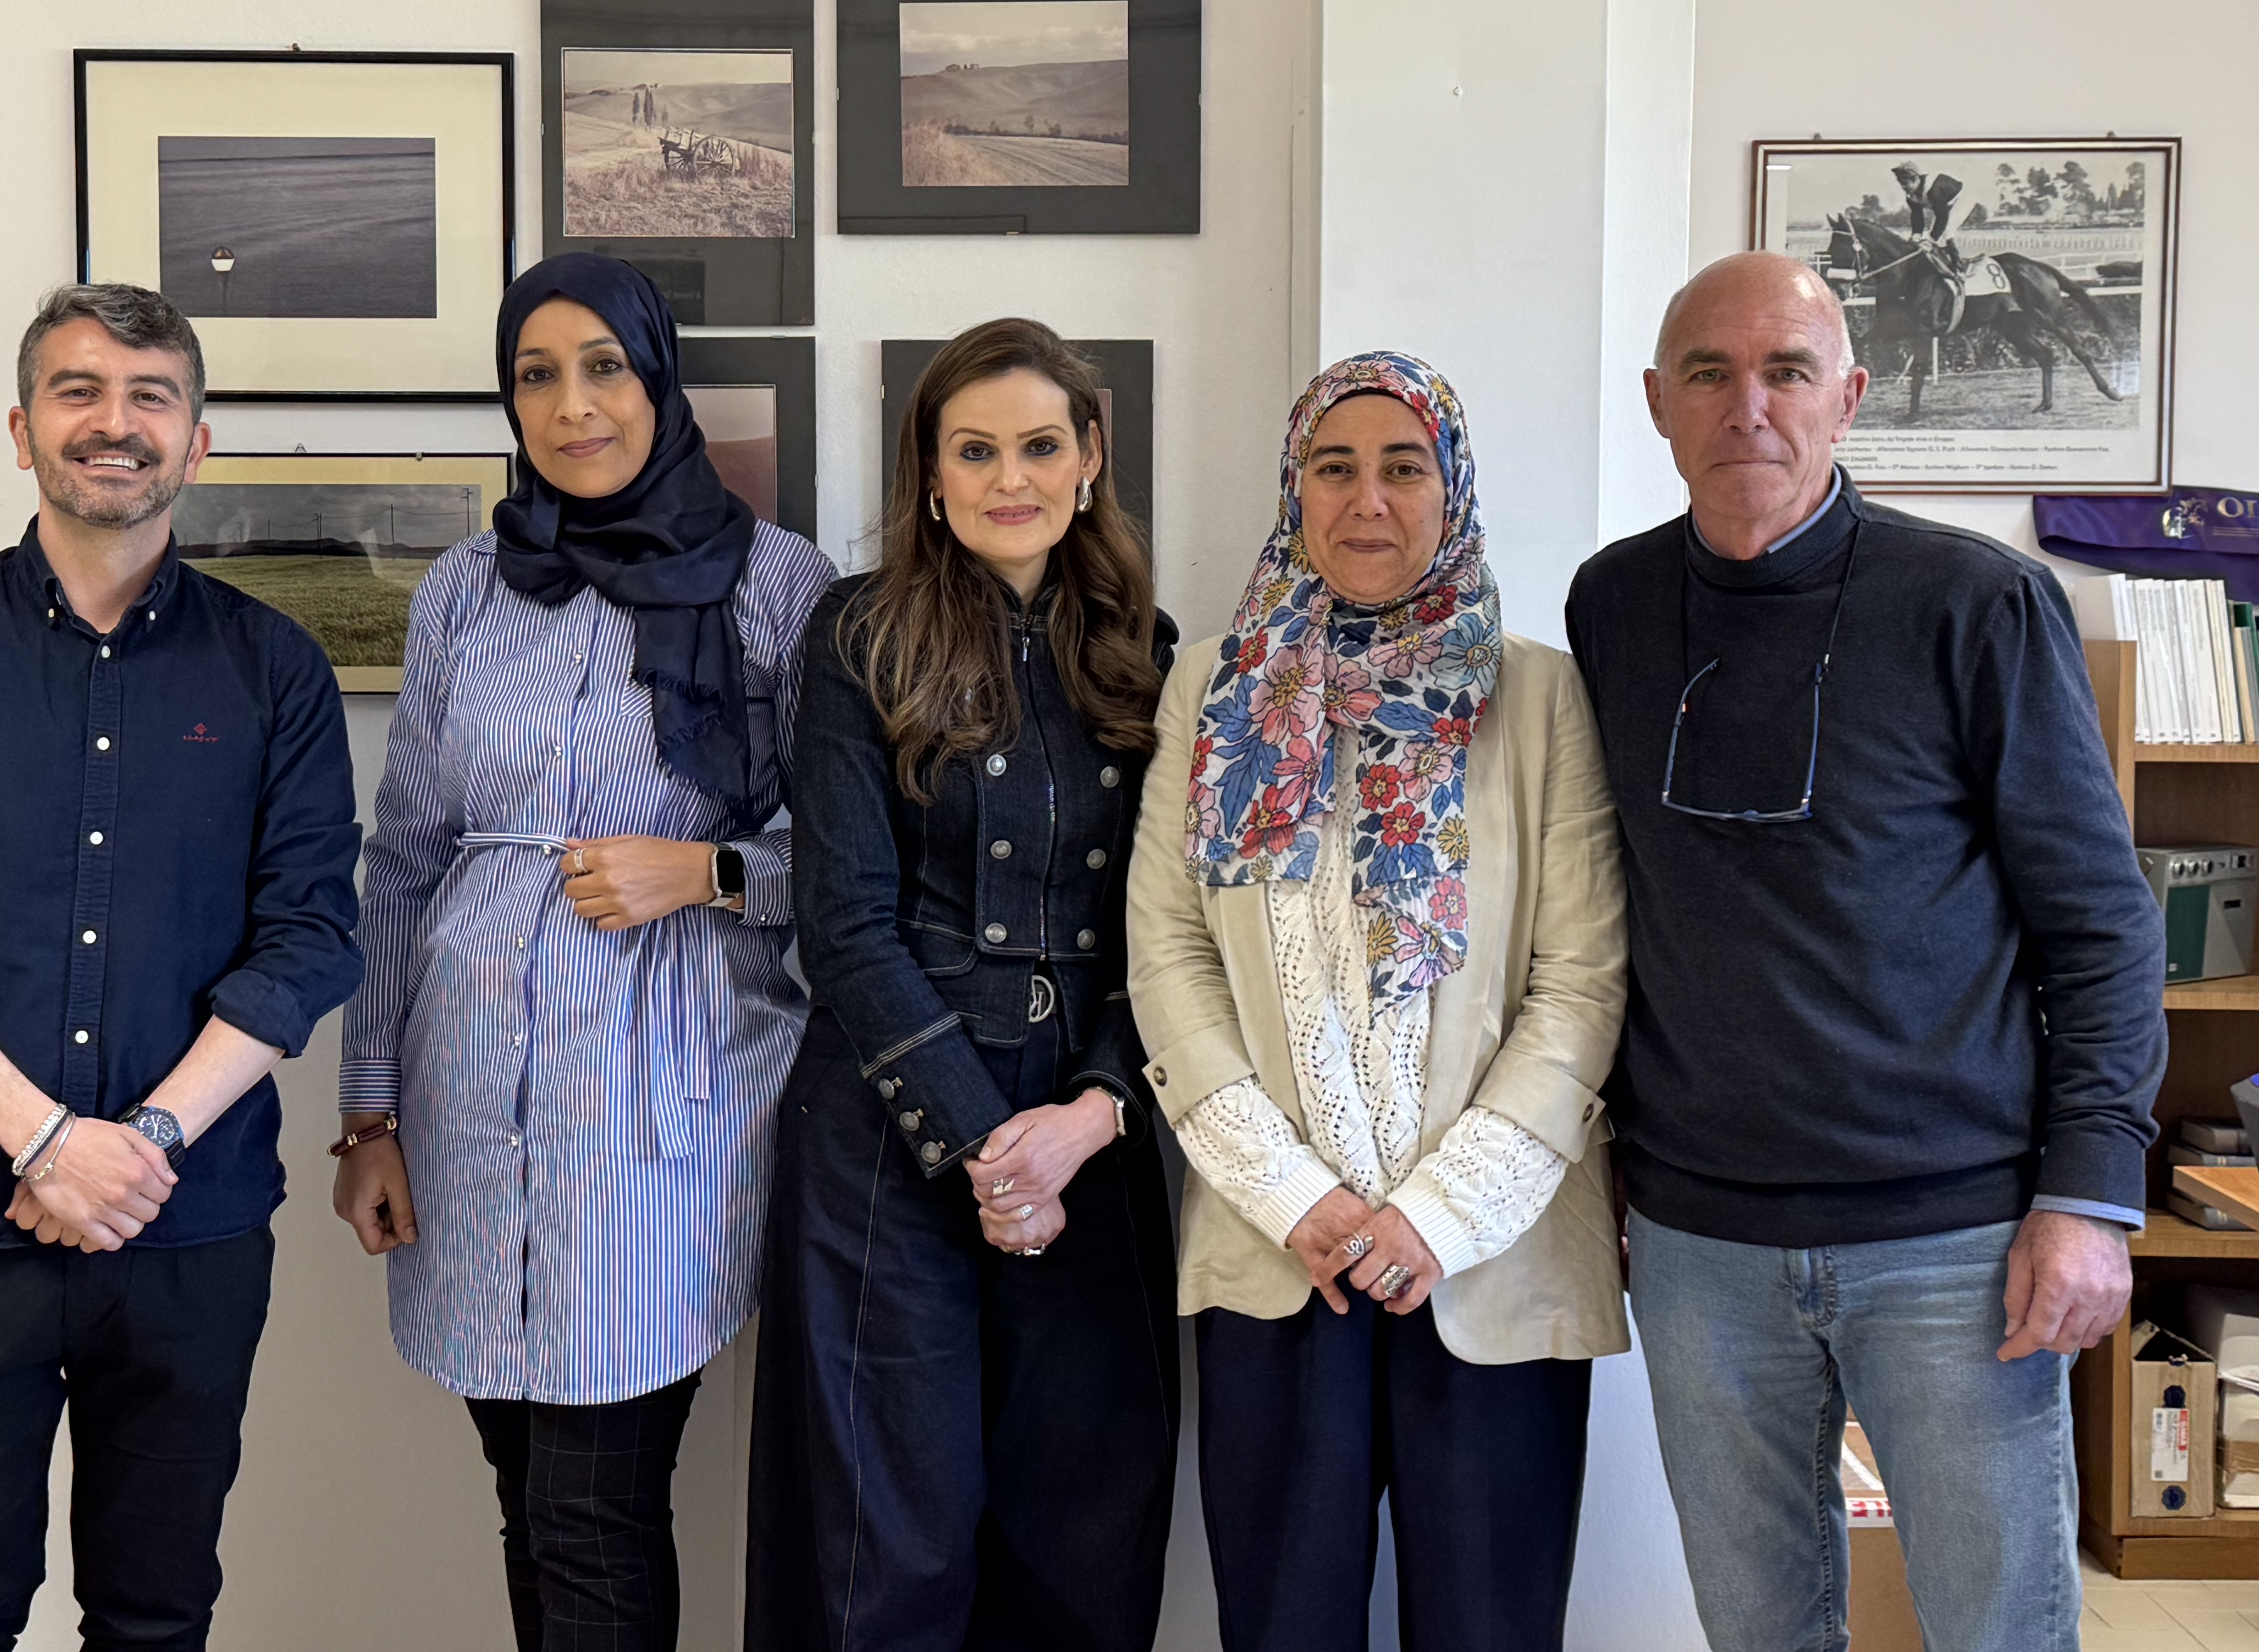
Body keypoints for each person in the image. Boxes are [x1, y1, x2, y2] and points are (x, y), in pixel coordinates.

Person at [1564, 252, 2167, 1652]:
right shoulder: (1614, 608)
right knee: (1760, 1630)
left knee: (1998, 1628)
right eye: (1709, 373)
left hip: (1954, 1236)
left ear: (1852, 395)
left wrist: (2090, 1191)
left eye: (1786, 372)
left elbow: (2100, 917)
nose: (1748, 407)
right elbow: (1604, 910)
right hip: (1703, 1239)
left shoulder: (1978, 604)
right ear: (1659, 401)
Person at [0, 283, 364, 1652]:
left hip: (190, 1220)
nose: (116, 423)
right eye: (80, 390)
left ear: (198, 439)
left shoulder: (275, 667)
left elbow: (308, 933)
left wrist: (145, 1138)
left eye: (150, 396)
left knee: (158, 1615)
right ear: (21, 426)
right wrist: (46, 1137)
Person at [333, 252, 834, 1651]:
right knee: (524, 1495)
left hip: (661, 1113)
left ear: (660, 379)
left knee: (596, 1509)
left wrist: (710, 868)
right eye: (536, 375)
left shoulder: (778, 587)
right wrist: (367, 1113)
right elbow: (404, 856)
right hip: (467, 1110)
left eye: (603, 366)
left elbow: (850, 865)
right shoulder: (466, 593)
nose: (573, 406)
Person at [1126, 353, 1628, 1652]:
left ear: (1450, 488)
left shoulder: (1540, 693)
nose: (1367, 500)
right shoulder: (1213, 690)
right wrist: (1304, 1198)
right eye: (1333, 466)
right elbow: (1170, 954)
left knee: (1490, 1627)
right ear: (1293, 488)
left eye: (1404, 467)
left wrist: (1440, 1212)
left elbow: (1580, 981)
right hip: (1276, 1251)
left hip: (1496, 1264)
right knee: (1285, 1624)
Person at [745, 319, 1180, 1652]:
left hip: (1090, 1135)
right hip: (888, 1136)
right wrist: (994, 1149)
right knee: (885, 1555)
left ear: (1091, 457)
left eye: (1040, 445)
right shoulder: (860, 632)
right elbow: (844, 923)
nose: (1010, 477)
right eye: (974, 449)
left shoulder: (1147, 645)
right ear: (928, 474)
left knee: (1082, 1545)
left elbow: (1165, 931)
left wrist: (1091, 1112)